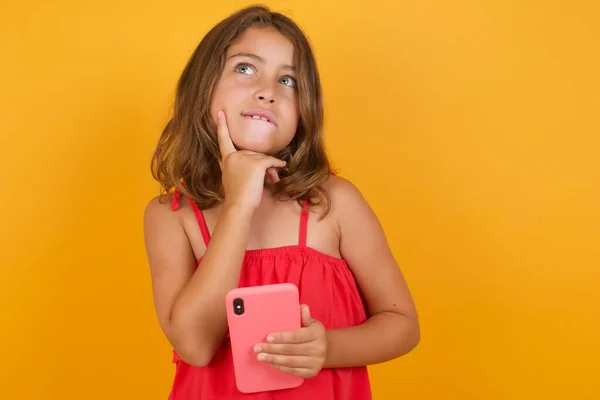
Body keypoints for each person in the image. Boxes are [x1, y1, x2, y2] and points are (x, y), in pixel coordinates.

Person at [143, 4, 420, 399]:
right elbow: (196, 346)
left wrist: (327, 349)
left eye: (287, 80)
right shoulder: (171, 216)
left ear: (304, 112)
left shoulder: (333, 203)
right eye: (244, 68)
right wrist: (239, 204)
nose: (267, 92)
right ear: (202, 86)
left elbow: (403, 324)